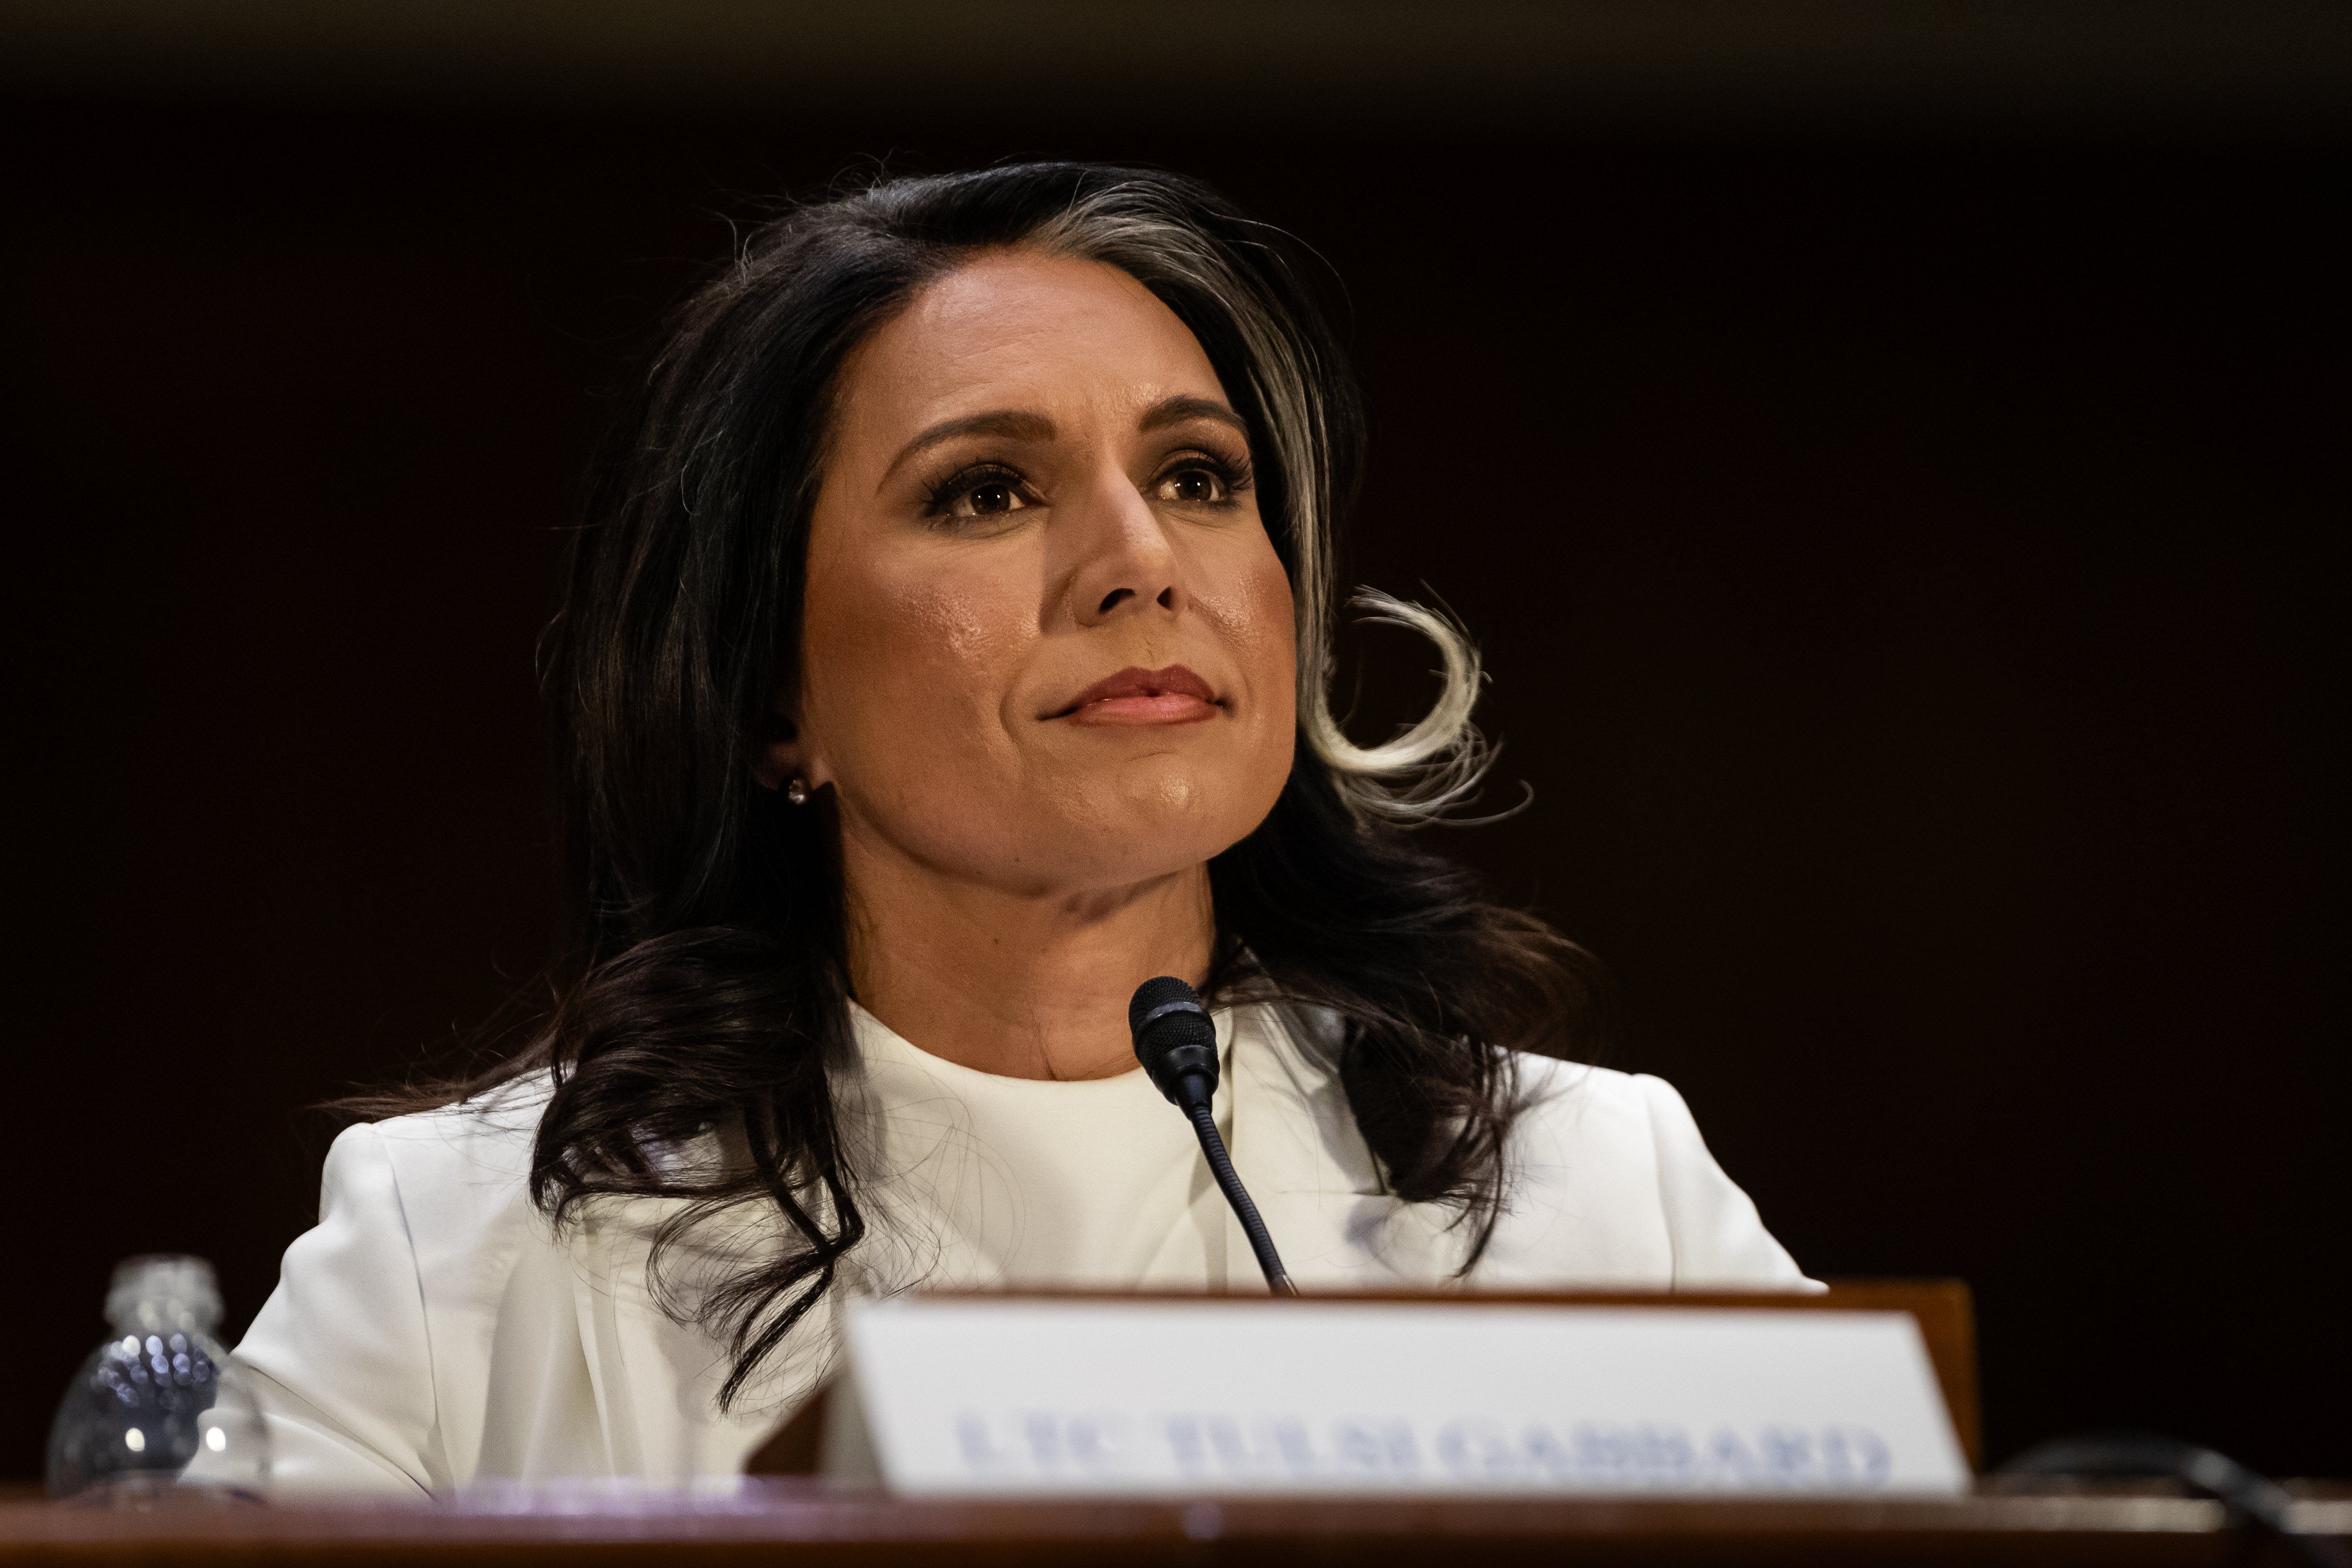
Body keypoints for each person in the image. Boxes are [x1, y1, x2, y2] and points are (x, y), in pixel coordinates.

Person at [220, 163, 1812, 1497]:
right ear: (775, 694)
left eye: (1198, 475)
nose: (1140, 561)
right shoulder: (464, 1255)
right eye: (987, 491)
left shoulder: (1602, 1200)